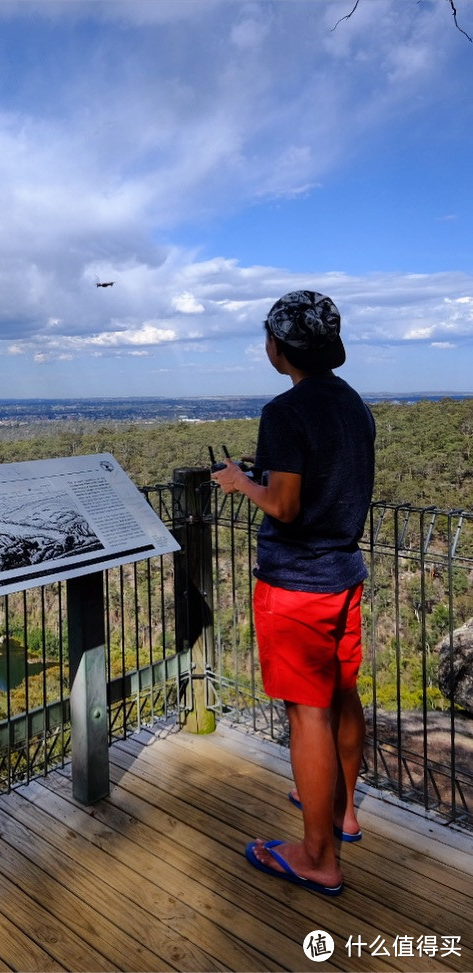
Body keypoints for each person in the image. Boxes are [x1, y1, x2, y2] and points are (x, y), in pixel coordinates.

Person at [211, 290, 375, 896]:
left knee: (307, 711)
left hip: (297, 583)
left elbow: (283, 504)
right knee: (342, 693)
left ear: (278, 347)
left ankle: (317, 858)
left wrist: (237, 481)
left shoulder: (285, 410)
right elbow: (322, 478)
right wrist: (270, 471)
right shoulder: (354, 405)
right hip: (343, 574)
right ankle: (342, 813)